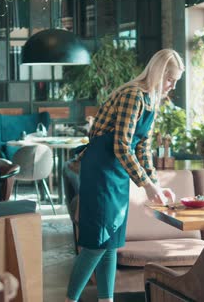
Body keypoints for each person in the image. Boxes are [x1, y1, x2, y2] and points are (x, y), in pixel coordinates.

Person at [65, 49, 184, 302]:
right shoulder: (133, 96)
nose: (172, 86)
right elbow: (121, 145)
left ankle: (106, 300)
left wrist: (156, 184)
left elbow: (143, 148)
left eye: (175, 82)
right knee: (97, 243)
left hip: (117, 172)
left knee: (111, 242)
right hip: (100, 170)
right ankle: (70, 300)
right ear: (159, 73)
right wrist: (145, 185)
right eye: (170, 80)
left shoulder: (152, 100)